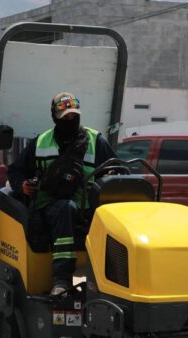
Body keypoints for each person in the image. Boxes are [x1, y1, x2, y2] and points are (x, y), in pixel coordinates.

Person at [7, 92, 117, 296]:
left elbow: (117, 170)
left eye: (74, 116)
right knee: (65, 209)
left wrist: (110, 175)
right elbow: (15, 170)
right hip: (50, 206)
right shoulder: (40, 143)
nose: (70, 120)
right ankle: (62, 281)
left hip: (87, 208)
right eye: (65, 117)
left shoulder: (95, 141)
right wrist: (22, 185)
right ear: (55, 117)